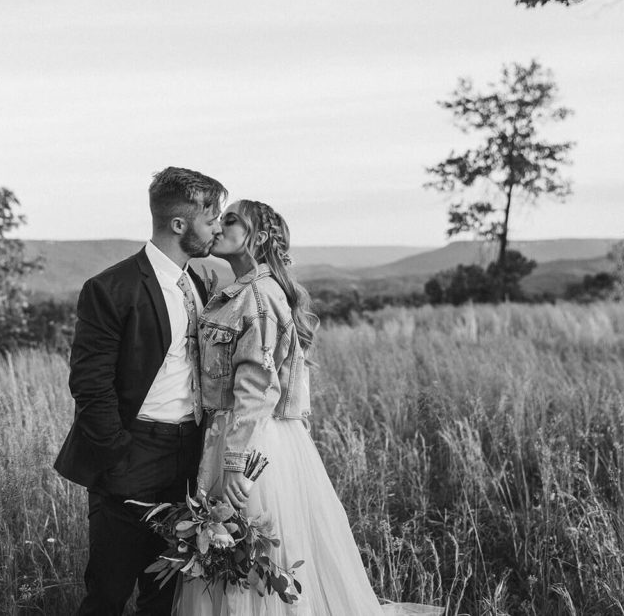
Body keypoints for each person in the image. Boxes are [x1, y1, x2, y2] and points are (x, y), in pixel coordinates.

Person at [176, 199, 443, 616]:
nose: (218, 225)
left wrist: (233, 462)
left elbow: (257, 386)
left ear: (258, 238)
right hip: (241, 435)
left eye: (231, 220)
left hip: (248, 443)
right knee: (232, 554)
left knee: (248, 556)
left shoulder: (258, 298)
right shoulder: (242, 292)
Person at [53, 167, 227, 616]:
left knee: (166, 593)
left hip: (189, 456)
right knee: (108, 593)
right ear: (178, 224)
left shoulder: (199, 282)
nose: (218, 228)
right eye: (211, 220)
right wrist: (117, 454)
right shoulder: (111, 288)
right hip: (131, 453)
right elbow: (89, 384)